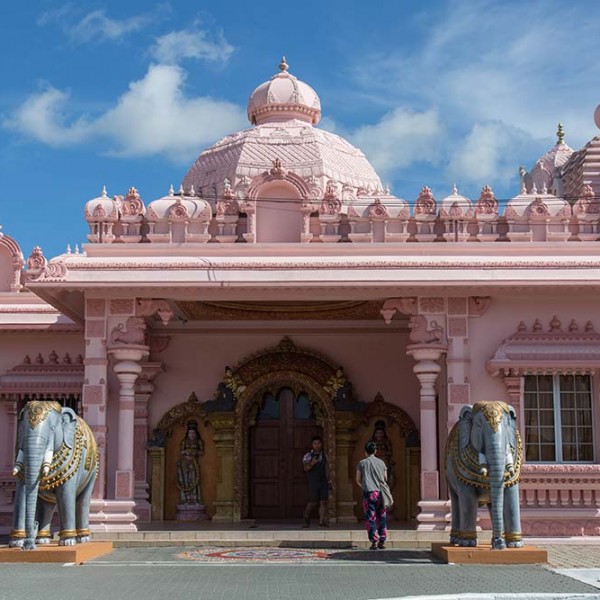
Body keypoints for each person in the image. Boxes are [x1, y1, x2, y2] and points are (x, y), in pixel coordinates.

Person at [356, 440, 388, 550]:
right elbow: (385, 478)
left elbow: (358, 480)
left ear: (365, 451)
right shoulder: (381, 463)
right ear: (375, 451)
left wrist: (365, 486)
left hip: (369, 493)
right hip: (381, 493)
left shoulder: (362, 463)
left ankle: (374, 541)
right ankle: (382, 540)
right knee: (382, 516)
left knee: (371, 517)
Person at [302, 435, 330, 528]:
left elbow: (326, 468)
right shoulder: (308, 456)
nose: (317, 445)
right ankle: (306, 518)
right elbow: (305, 468)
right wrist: (312, 463)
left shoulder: (324, 455)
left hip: (323, 481)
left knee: (323, 501)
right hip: (313, 481)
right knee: (312, 502)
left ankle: (321, 521)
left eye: (318, 443)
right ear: (312, 445)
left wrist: (328, 480)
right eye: (315, 444)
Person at [176, 420, 204, 505]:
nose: (192, 435)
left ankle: (195, 499)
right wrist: (186, 452)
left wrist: (193, 453)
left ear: (196, 434)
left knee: (194, 480)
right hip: (184, 463)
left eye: (193, 433)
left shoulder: (199, 442)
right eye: (190, 433)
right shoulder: (184, 442)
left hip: (194, 463)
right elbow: (181, 452)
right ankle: (187, 499)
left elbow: (201, 452)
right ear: (188, 434)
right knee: (185, 480)